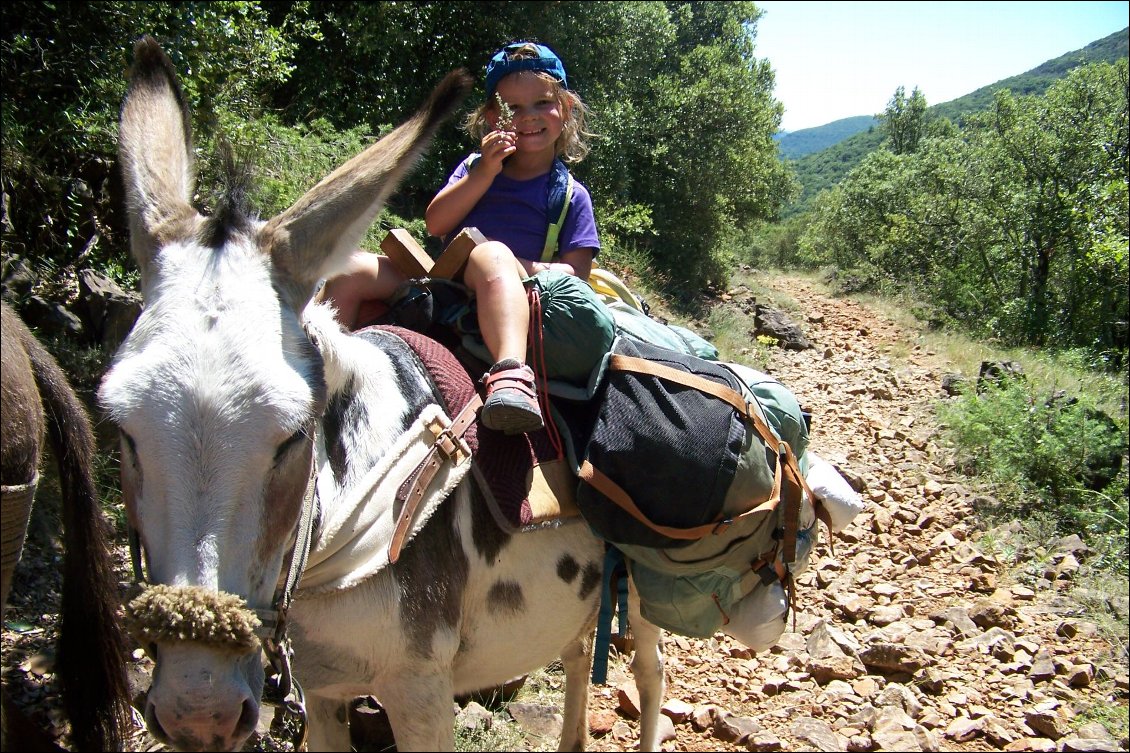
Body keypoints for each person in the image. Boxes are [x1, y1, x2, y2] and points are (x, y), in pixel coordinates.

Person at [321, 41, 599, 435]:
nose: (528, 118)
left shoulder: (571, 196)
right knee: (352, 269)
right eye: (513, 108)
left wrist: (511, 263)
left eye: (542, 104)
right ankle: (321, 370)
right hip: (442, 281)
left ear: (566, 108)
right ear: (492, 117)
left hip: (512, 295)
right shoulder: (475, 166)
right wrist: (484, 173)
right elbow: (435, 223)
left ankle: (510, 375)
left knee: (493, 256)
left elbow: (577, 274)